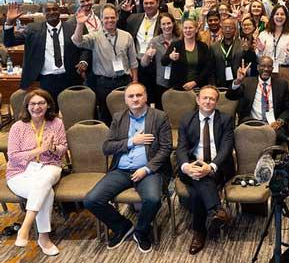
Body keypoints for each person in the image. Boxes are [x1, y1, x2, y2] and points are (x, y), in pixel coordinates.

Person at [84, 83, 172, 254]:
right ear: (125, 100)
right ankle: (123, 226)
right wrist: (133, 141)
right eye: (131, 96)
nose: (135, 99)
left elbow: (166, 149)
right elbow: (107, 147)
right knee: (91, 200)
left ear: (146, 97)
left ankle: (141, 231)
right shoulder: (119, 117)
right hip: (121, 170)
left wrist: (147, 169)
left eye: (139, 95)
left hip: (148, 171)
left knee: (153, 200)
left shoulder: (159, 116)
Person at [6, 89, 67, 256]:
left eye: (41, 103)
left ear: (48, 105)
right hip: (20, 172)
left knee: (44, 180)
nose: (37, 107)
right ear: (27, 106)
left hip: (50, 166)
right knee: (45, 190)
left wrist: (52, 148)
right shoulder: (18, 127)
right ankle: (43, 238)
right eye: (32, 103)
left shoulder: (56, 123)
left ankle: (25, 227)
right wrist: (39, 150)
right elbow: (13, 157)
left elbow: (63, 150)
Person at [176, 86, 234, 255]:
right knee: (199, 177)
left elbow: (226, 148)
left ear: (216, 102)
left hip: (217, 166)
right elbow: (181, 148)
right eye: (205, 98)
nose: (208, 101)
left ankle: (199, 233)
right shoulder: (187, 119)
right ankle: (216, 209)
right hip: (192, 165)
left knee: (195, 193)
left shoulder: (225, 119)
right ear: (198, 100)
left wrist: (212, 166)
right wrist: (186, 167)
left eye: (212, 99)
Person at [3, 2, 89, 107]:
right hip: (46, 80)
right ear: (43, 13)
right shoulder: (33, 29)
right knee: (49, 114)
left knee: (72, 111)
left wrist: (83, 60)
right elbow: (9, 42)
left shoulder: (73, 28)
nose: (51, 12)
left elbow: (85, 48)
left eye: (54, 9)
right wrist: (9, 22)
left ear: (60, 11)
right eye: (48, 10)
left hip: (70, 78)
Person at [72, 3, 138, 123]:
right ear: (101, 19)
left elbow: (133, 62)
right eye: (106, 17)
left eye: (112, 17)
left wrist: (135, 82)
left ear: (117, 17)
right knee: (106, 116)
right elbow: (77, 41)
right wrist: (80, 24)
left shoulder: (126, 36)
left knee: (127, 115)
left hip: (124, 81)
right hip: (104, 84)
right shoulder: (95, 37)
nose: (109, 20)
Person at [226, 56, 289, 143]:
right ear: (258, 68)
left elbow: (288, 109)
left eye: (269, 66)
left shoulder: (281, 84)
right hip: (252, 123)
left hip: (274, 125)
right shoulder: (247, 82)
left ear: (272, 69)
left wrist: (280, 121)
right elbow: (230, 96)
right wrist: (238, 81)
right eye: (263, 66)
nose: (266, 69)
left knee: (278, 135)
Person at [118, 0, 161, 106]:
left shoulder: (163, 20)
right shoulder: (134, 18)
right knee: (140, 95)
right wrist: (124, 13)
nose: (148, 6)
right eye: (145, 3)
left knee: (155, 97)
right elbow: (120, 27)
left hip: (156, 64)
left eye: (151, 3)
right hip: (138, 63)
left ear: (157, 3)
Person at [141, 13, 180, 108]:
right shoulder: (155, 41)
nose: (167, 26)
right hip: (160, 83)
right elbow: (143, 64)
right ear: (160, 26)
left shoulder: (180, 40)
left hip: (177, 82)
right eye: (163, 24)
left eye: (169, 23)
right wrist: (147, 55)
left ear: (173, 23)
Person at [161, 18, 212, 91]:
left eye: (190, 28)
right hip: (179, 88)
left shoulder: (203, 46)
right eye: (185, 28)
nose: (188, 30)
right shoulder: (175, 45)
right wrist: (170, 57)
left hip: (199, 87)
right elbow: (163, 62)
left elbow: (207, 68)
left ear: (196, 29)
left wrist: (195, 82)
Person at [210, 17, 248, 88]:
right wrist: (213, 85)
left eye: (231, 28)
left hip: (238, 83)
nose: (228, 30)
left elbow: (248, 62)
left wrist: (247, 51)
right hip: (219, 84)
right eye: (225, 27)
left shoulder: (242, 44)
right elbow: (211, 68)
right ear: (221, 29)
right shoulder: (214, 46)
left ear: (235, 30)